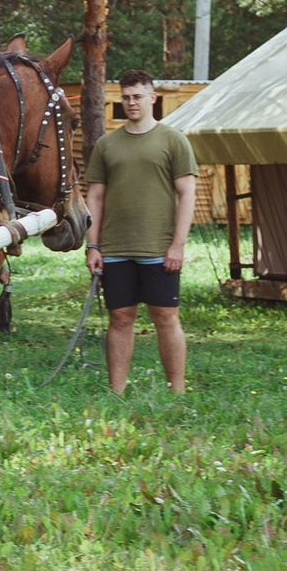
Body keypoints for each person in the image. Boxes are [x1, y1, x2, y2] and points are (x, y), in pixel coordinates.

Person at [85, 69, 198, 394]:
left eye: (137, 96)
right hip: (115, 247)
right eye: (126, 97)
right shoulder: (107, 145)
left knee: (165, 317)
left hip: (159, 249)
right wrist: (93, 246)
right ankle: (116, 392)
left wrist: (178, 244)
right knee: (120, 318)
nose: (131, 103)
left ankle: (176, 392)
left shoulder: (173, 140)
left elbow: (187, 193)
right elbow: (95, 196)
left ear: (152, 98)